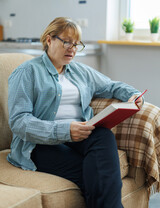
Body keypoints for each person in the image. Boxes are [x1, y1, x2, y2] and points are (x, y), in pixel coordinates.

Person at [7, 17, 143, 208]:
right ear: (49, 40)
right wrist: (64, 130)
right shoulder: (27, 72)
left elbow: (112, 86)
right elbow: (19, 122)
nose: (72, 48)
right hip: (39, 144)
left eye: (76, 44)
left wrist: (134, 95)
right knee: (97, 173)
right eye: (67, 42)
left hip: (79, 135)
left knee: (103, 135)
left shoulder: (80, 71)